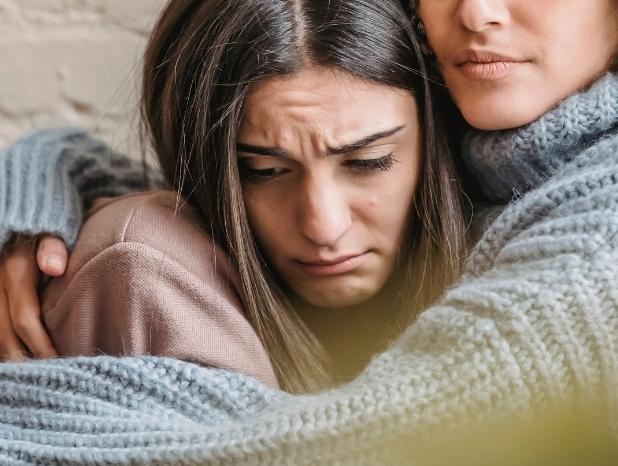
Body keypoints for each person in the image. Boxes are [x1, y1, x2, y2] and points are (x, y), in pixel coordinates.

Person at [0, 0, 618, 466]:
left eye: (371, 162)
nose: (479, 11)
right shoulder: (524, 132)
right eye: (263, 171)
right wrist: (51, 174)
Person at [0, 0, 467, 391]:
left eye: (368, 162)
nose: (323, 226)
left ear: (439, 133)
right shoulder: (142, 263)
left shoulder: (517, 231)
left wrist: (54, 168)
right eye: (263, 171)